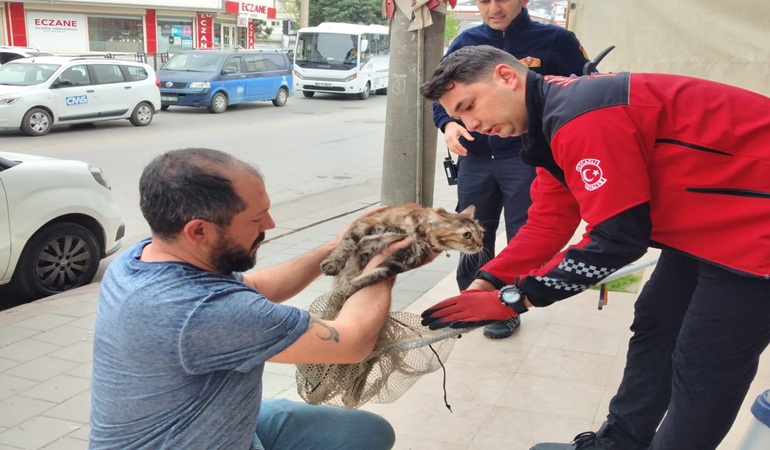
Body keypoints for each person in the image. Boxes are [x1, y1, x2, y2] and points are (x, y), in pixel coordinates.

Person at [419, 45, 770, 450]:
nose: (473, 125)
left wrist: (518, 298)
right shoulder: (550, 120)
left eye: (469, 106)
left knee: (703, 363)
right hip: (710, 225)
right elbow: (550, 220)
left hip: (754, 233)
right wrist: (489, 281)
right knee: (656, 324)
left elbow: (618, 238)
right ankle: (618, 443)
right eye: (459, 117)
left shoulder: (581, 117)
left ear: (506, 76)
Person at [89, 148, 410, 450]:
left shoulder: (143, 257)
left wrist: (336, 246)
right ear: (198, 231)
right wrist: (382, 265)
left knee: (369, 433)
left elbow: (253, 285)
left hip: (215, 418)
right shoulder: (202, 312)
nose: (270, 225)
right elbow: (352, 342)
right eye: (256, 219)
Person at [432, 0, 589, 339]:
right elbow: (441, 101)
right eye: (484, 0)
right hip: (476, 159)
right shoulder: (464, 43)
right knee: (473, 232)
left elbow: (582, 88)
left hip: (528, 157)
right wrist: (448, 126)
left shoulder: (557, 40)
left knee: (526, 231)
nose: (494, 8)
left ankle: (507, 304)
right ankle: (470, 298)